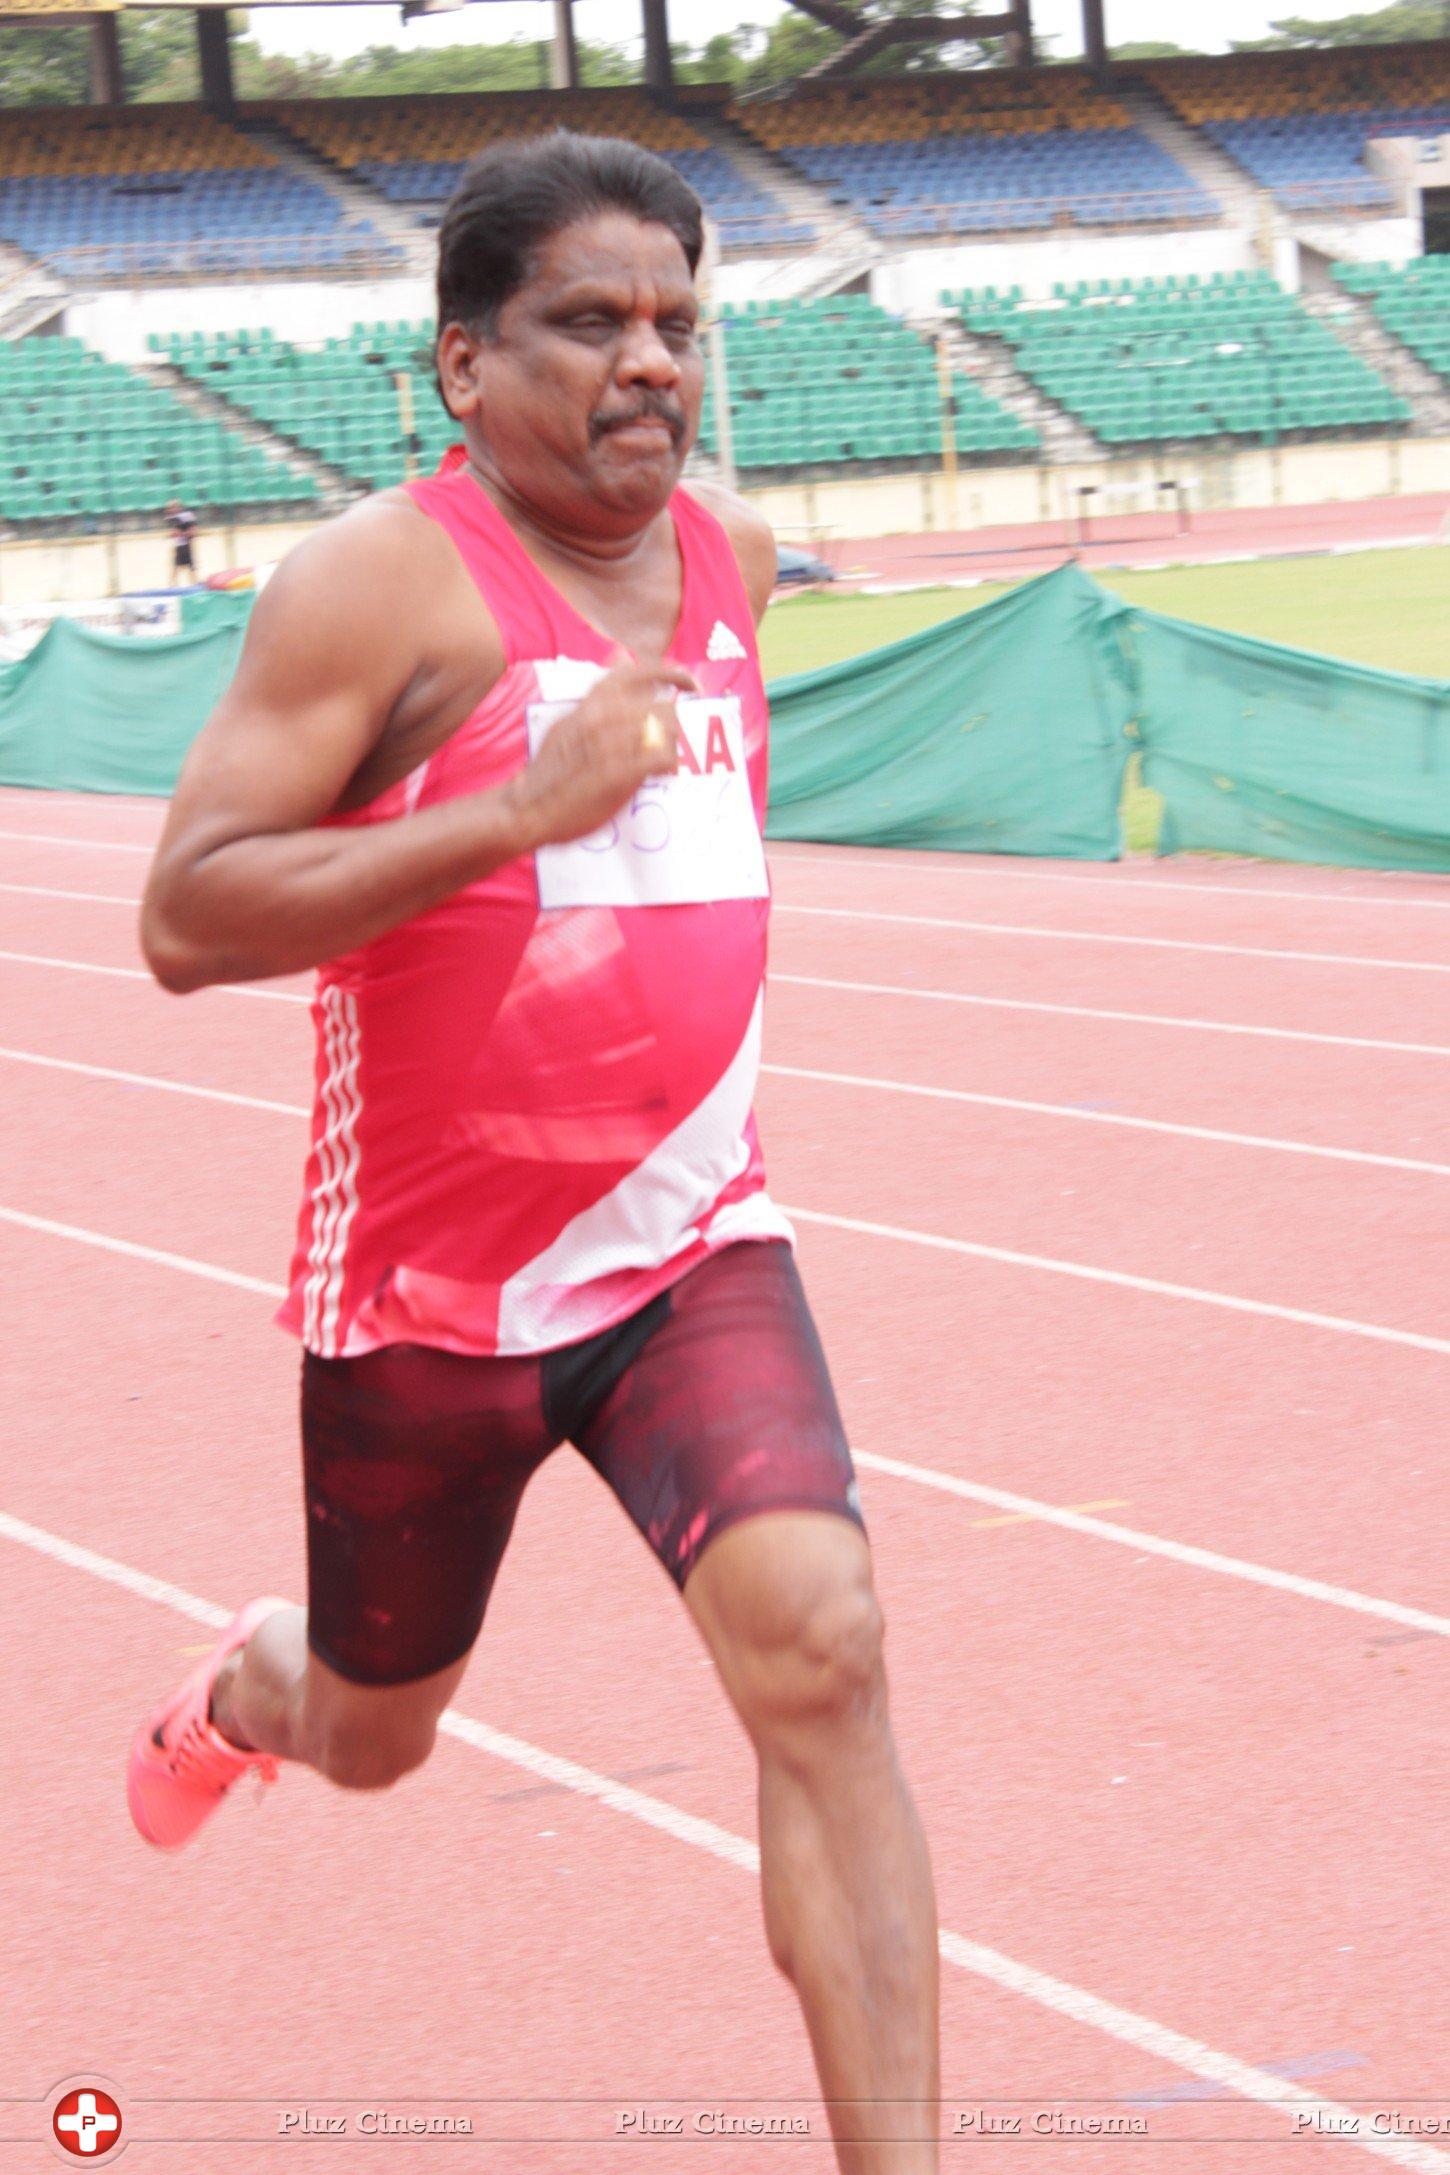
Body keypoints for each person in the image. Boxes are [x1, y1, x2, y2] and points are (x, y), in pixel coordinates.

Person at [128, 134, 940, 2173]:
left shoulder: (731, 561)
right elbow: (189, 917)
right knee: (379, 1735)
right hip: (424, 1293)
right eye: (588, 321)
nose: (646, 362)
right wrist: (513, 810)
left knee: (824, 1654)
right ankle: (250, 1688)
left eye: (675, 321)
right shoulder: (373, 582)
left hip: (687, 1241)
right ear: (463, 365)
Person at [165, 499, 198, 582]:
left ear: (178, 508)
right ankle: (173, 585)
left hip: (185, 545)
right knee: (178, 567)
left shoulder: (185, 516)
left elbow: (192, 531)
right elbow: (175, 532)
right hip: (180, 545)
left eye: (172, 508)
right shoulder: (174, 518)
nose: (170, 510)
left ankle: (193, 584)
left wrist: (181, 534)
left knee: (188, 567)